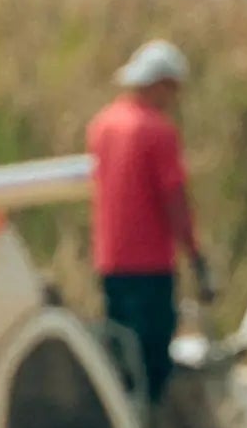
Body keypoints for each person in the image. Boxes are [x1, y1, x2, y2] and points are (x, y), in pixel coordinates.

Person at [86, 38, 211, 401]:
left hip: (111, 263)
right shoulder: (158, 132)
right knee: (153, 366)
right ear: (160, 84)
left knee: (121, 363)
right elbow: (173, 200)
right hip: (150, 266)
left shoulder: (102, 127)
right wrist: (195, 255)